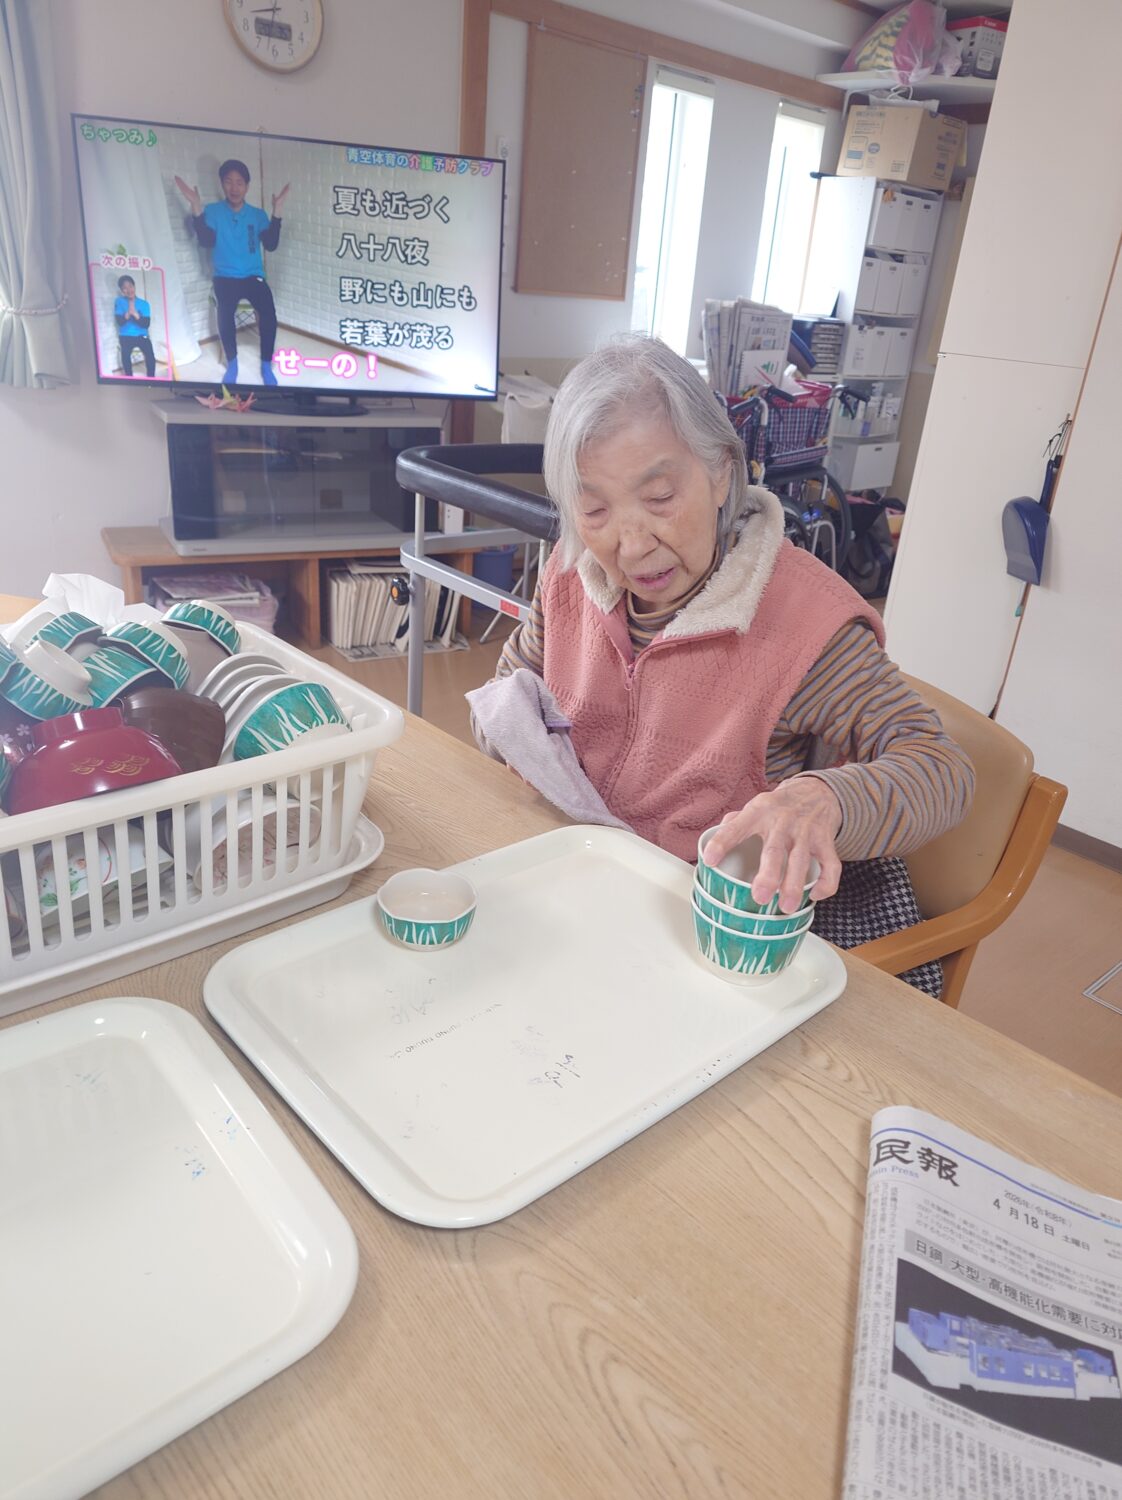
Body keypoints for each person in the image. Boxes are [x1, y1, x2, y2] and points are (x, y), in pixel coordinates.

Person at [481, 336, 975, 989]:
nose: (631, 545)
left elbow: (942, 769)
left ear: (720, 471)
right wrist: (515, 739)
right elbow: (509, 693)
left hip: (699, 946)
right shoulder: (569, 575)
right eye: (595, 510)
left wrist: (825, 798)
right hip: (581, 894)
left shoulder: (805, 625)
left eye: (660, 497)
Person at [175, 159, 290, 385]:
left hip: (253, 276)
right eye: (228, 182)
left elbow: (271, 244)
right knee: (225, 313)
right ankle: (233, 364)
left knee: (268, 312)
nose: (234, 188)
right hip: (225, 277)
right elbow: (206, 241)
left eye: (239, 182)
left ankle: (266, 365)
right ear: (222, 184)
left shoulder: (257, 215)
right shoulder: (213, 211)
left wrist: (277, 211)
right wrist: (196, 206)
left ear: (247, 186)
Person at [114, 275, 156, 377]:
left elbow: (146, 324)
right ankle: (129, 378)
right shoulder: (119, 301)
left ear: (134, 286)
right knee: (125, 355)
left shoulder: (144, 304)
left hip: (142, 335)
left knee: (150, 356)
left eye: (130, 286)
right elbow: (120, 322)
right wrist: (128, 314)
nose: (129, 290)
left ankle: (151, 379)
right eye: (125, 288)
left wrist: (136, 315)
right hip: (125, 336)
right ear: (122, 290)